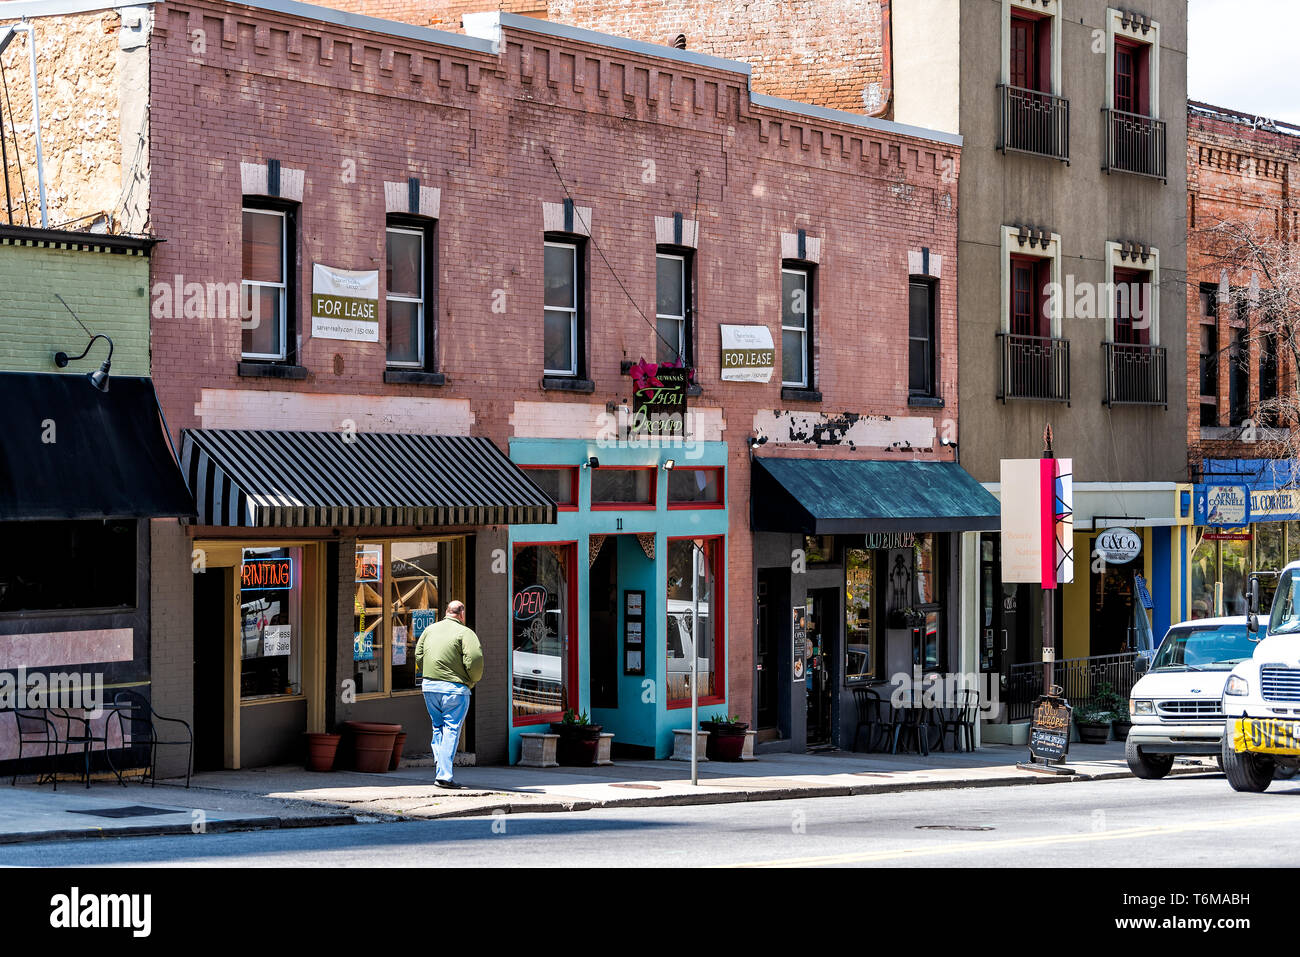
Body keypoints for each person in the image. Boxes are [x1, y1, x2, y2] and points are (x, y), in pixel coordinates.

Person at [414, 600, 483, 789]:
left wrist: (429, 672)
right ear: (461, 614)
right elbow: (475, 660)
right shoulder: (465, 633)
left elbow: (418, 655)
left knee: (438, 727)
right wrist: (472, 681)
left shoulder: (430, 629)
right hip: (454, 690)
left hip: (429, 687)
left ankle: (441, 764)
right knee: (452, 729)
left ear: (446, 612)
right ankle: (444, 775)